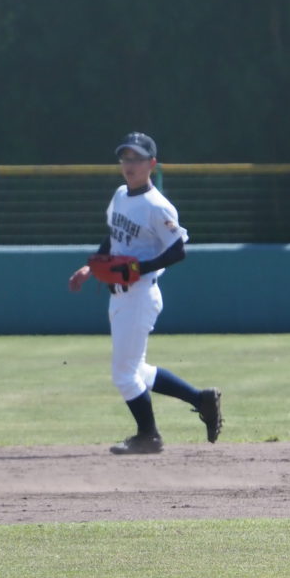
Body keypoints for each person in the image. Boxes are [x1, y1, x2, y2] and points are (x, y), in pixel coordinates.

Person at [67, 132, 222, 454]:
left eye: (136, 159)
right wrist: (90, 267)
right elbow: (113, 239)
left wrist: (141, 268)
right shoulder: (121, 195)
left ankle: (148, 436)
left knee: (123, 376)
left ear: (151, 164)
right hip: (120, 295)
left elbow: (178, 251)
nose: (129, 164)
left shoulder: (157, 206)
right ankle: (201, 399)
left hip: (139, 295)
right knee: (137, 371)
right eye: (125, 158)